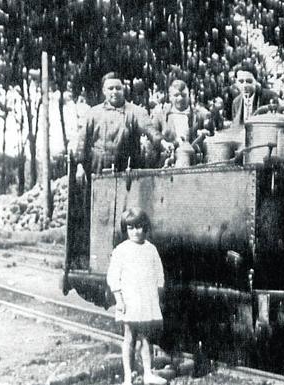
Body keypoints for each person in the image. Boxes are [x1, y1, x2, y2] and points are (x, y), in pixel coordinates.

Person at [107, 208, 167, 385]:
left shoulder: (151, 249)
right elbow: (113, 276)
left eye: (139, 227)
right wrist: (119, 299)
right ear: (125, 229)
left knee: (147, 337)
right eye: (130, 228)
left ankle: (148, 373)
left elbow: (159, 274)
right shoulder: (121, 250)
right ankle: (128, 377)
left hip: (147, 299)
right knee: (130, 337)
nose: (135, 231)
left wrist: (158, 295)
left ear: (145, 228)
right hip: (130, 301)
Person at [75, 72, 168, 180]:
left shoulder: (136, 111)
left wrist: (163, 142)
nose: (114, 92)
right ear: (104, 91)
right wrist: (79, 166)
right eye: (110, 88)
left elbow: (150, 130)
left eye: (118, 88)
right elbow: (82, 141)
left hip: (127, 171)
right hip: (98, 169)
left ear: (123, 90)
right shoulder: (93, 113)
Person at [151, 79, 213, 166]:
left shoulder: (199, 114)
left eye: (184, 95)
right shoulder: (161, 115)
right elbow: (152, 134)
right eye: (176, 95)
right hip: (168, 162)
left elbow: (212, 133)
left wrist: (205, 133)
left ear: (189, 96)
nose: (180, 98)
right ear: (170, 97)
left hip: (194, 162)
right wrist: (163, 143)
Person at [226, 63, 279, 131]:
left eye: (249, 81)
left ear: (256, 81)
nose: (245, 85)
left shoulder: (269, 97)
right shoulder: (236, 102)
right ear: (236, 83)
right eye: (241, 81)